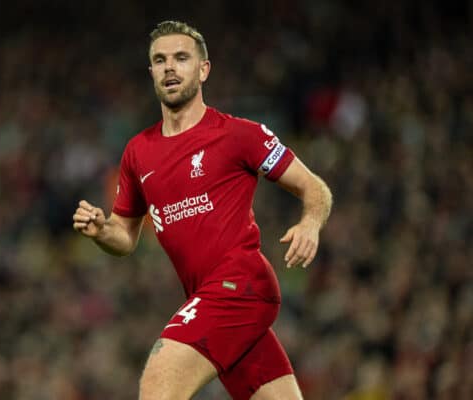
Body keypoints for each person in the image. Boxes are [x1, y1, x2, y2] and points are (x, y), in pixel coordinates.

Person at [73, 20, 332, 400]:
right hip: (211, 298)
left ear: (203, 69)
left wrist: (310, 223)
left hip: (240, 286)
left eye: (181, 57)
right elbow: (124, 237)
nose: (170, 67)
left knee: (160, 378)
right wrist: (101, 232)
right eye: (160, 60)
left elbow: (314, 187)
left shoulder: (239, 134)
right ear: (151, 72)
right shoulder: (137, 151)